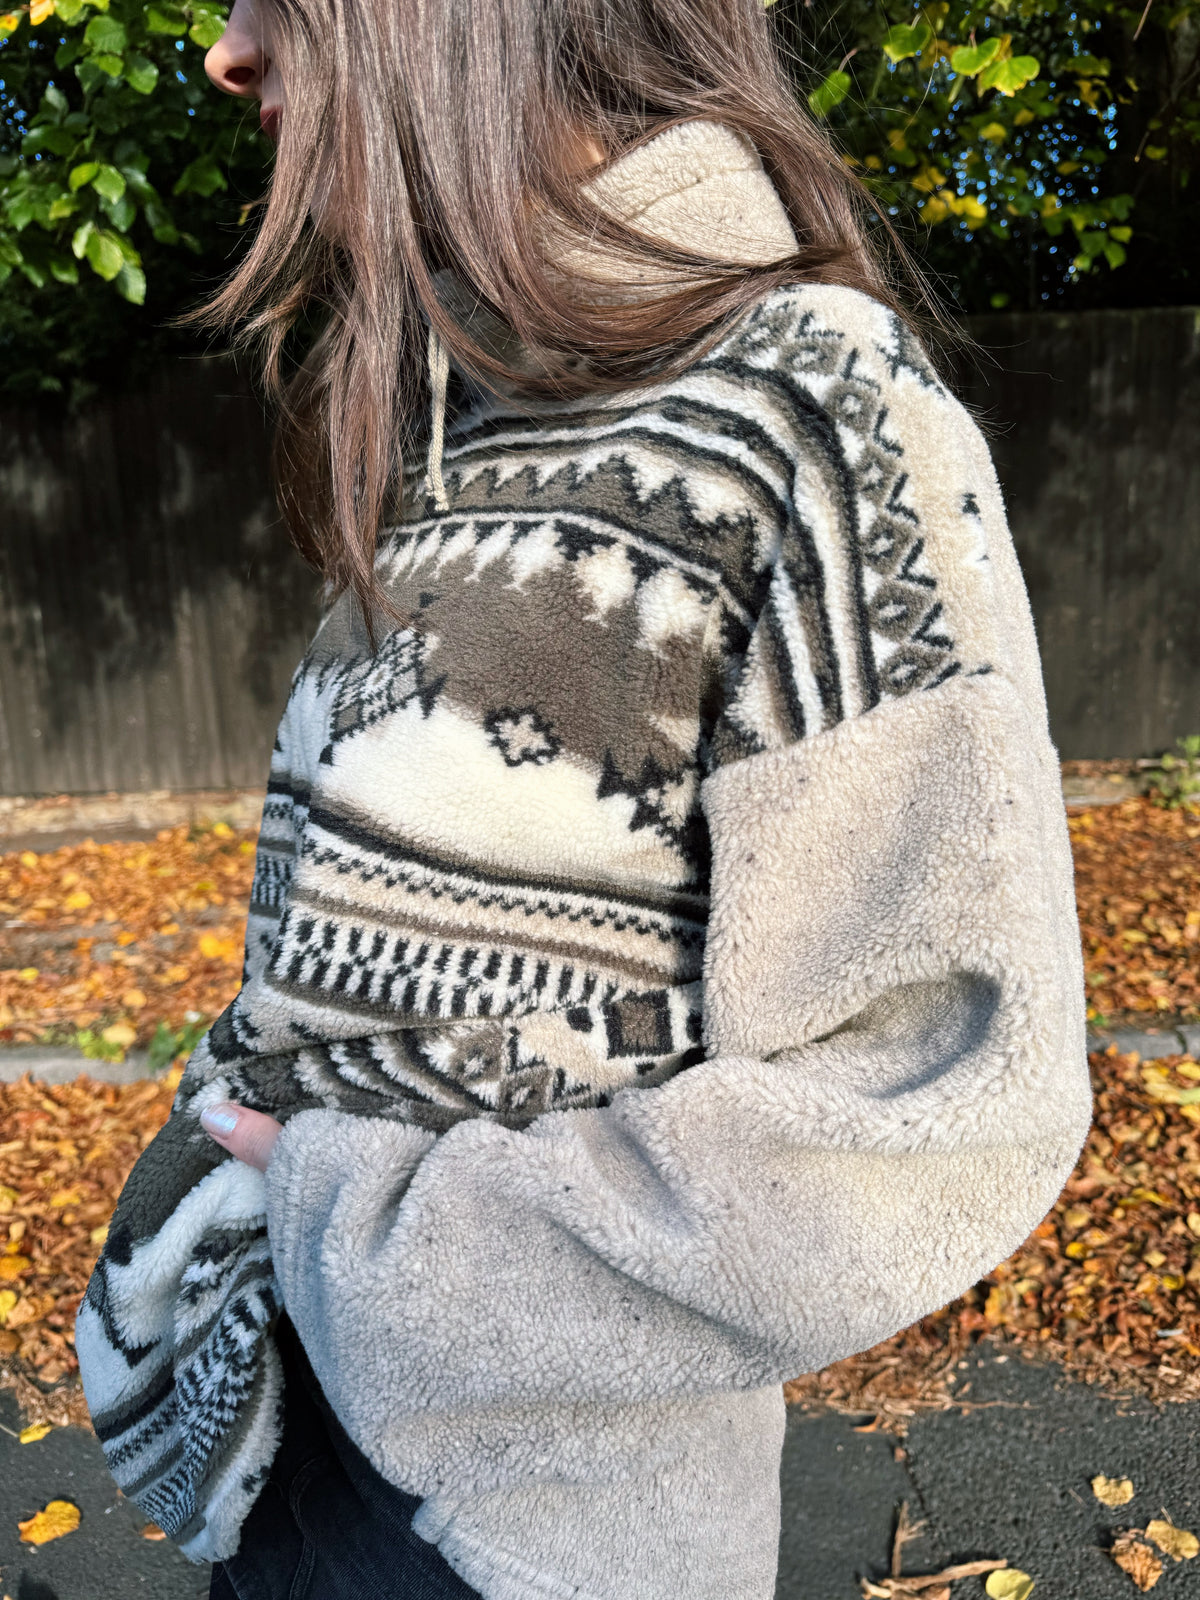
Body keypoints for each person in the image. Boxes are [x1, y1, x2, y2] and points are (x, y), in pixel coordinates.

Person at [73, 0, 1093, 1595]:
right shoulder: (471, 425)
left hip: (518, 1539)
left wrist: (362, 1231)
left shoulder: (806, 410)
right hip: (306, 1454)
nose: (227, 48)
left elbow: (938, 1096)